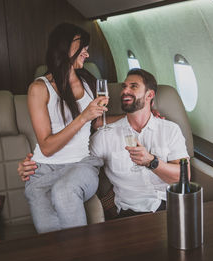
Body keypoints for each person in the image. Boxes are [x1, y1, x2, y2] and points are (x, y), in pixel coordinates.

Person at [19, 68, 190, 218]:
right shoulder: (105, 136)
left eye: (133, 86)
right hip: (130, 212)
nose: (125, 91)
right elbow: (74, 160)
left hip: (173, 206)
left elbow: (183, 177)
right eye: (124, 86)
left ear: (150, 95)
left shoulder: (170, 129)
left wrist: (152, 162)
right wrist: (36, 163)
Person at [23, 23, 113, 234]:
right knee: (51, 237)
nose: (87, 52)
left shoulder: (89, 81)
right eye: (82, 46)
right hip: (42, 171)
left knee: (64, 191)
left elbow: (98, 123)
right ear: (64, 47)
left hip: (80, 165)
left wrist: (131, 117)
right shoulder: (39, 88)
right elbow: (46, 147)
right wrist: (83, 117)